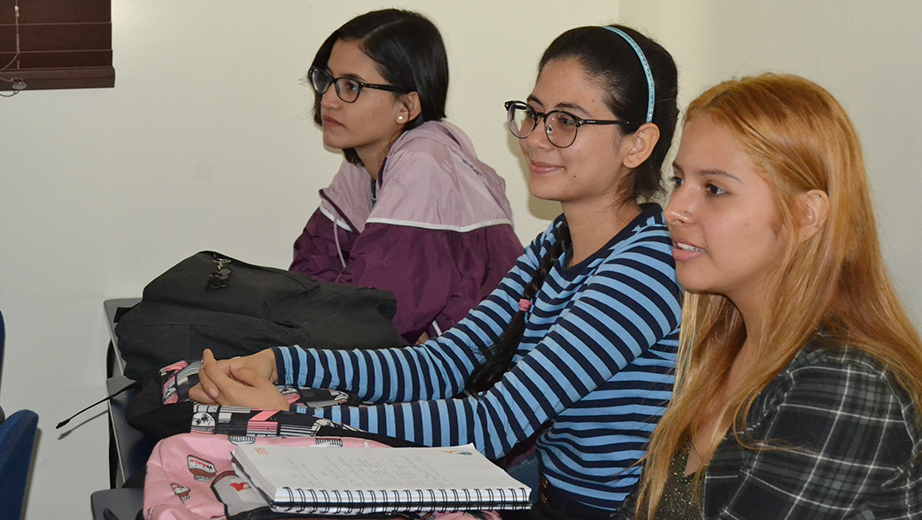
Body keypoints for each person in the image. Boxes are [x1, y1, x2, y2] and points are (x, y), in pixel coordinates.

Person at [191, 25, 682, 519]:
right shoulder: (557, 243)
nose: (535, 137)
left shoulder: (645, 267)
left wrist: (296, 416)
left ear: (637, 144)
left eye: (567, 121)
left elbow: (493, 422)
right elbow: (443, 363)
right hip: (543, 493)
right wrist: (283, 364)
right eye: (533, 114)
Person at [621, 73, 922, 519]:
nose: (674, 209)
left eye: (714, 189)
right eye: (679, 180)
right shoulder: (724, 349)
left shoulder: (844, 384)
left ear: (806, 214)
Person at [290, 9, 523, 344]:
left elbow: (377, 316)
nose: (328, 99)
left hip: (476, 380)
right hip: (417, 366)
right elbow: (307, 277)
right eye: (327, 80)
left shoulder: (424, 164)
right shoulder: (363, 164)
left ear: (407, 106)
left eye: (351, 86)